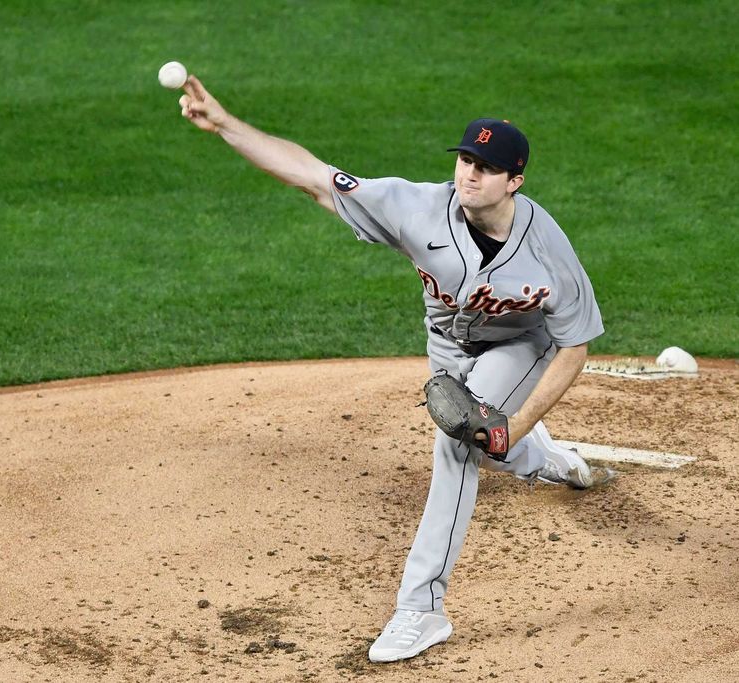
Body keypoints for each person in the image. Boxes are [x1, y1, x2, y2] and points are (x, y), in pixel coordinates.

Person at [176, 75, 606, 663]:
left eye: (484, 167)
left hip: (519, 348)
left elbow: (575, 346)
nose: (468, 174)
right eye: (464, 160)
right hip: (448, 353)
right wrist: (226, 124)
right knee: (479, 435)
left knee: (456, 443)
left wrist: (520, 420)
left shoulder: (548, 251)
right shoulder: (418, 209)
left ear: (516, 180)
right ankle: (545, 460)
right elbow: (312, 176)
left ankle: (421, 609)